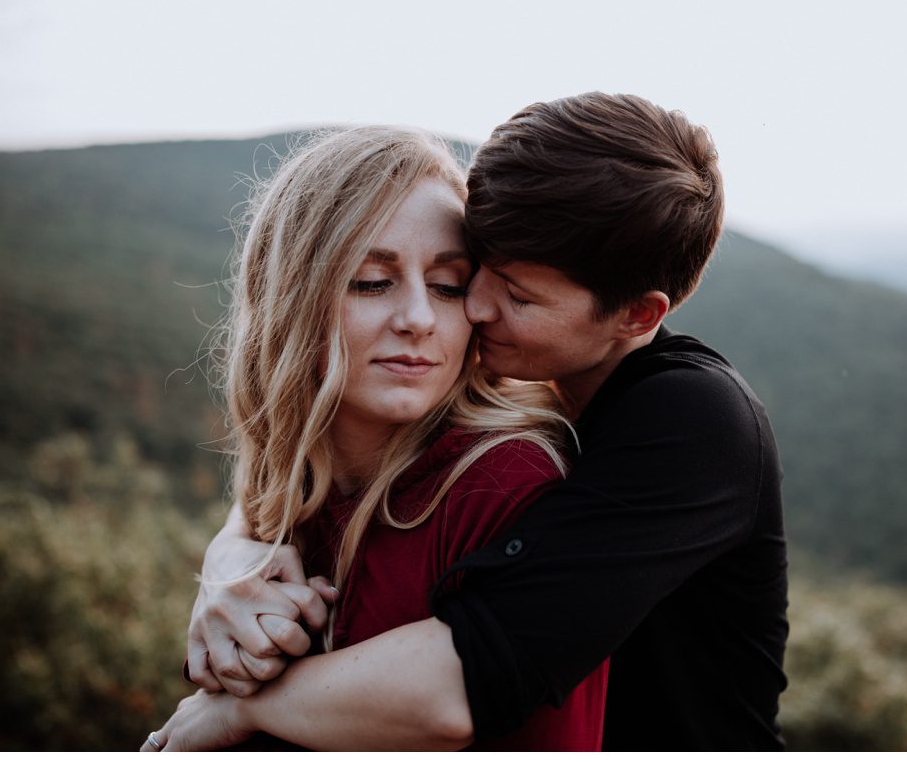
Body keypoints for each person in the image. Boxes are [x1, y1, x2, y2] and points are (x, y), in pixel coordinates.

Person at [172, 92, 789, 751]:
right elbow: (297, 467)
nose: (472, 306)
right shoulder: (521, 391)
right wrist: (236, 549)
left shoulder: (690, 422)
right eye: (477, 269)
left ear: (638, 315)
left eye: (516, 294)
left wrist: (238, 711)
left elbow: (466, 678)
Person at [143, 125, 608, 751]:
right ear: (291, 298)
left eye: (448, 285)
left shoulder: (505, 484)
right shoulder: (293, 482)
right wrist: (227, 556)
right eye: (370, 281)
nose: (418, 319)